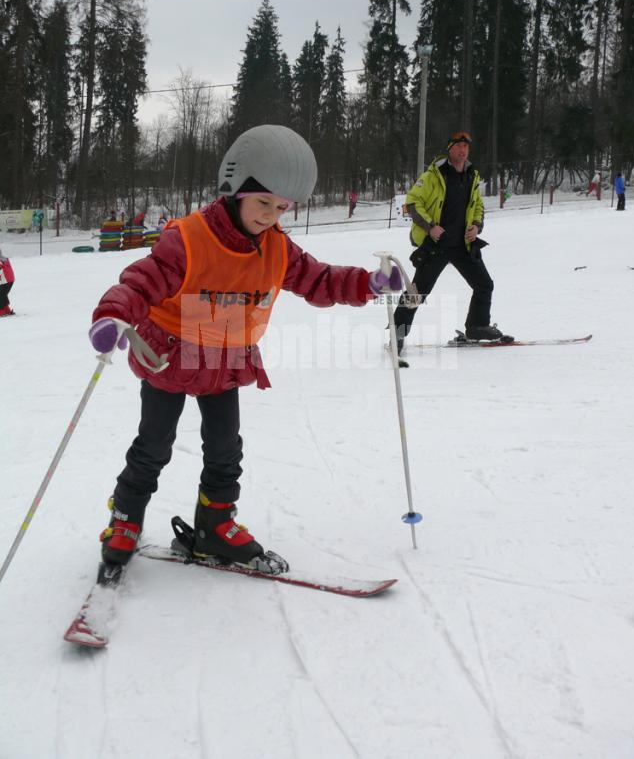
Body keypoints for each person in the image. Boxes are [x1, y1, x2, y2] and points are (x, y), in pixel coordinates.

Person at [89, 125, 401, 576]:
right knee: (153, 446)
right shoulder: (189, 239)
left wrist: (367, 284)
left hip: (224, 361)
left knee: (225, 450)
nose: (271, 216)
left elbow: (319, 279)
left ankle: (215, 524)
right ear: (236, 191)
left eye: (281, 208)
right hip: (170, 359)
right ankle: (125, 518)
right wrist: (112, 315)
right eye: (263, 203)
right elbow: (143, 280)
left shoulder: (276, 248)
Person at [392, 131, 511, 353]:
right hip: (437, 245)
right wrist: (430, 227)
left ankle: (477, 327)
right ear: (449, 149)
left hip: (463, 245)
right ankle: (396, 334)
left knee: (484, 284)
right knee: (417, 292)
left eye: (466, 146)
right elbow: (412, 203)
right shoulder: (433, 175)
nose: (463, 150)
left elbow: (478, 206)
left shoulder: (471, 176)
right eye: (458, 146)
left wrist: (477, 226)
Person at [0, 248, 15, 317]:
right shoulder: (3, 259)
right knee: (3, 294)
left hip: (6, 280)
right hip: (9, 280)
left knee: (1, 295)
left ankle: (1, 311)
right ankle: (7, 309)